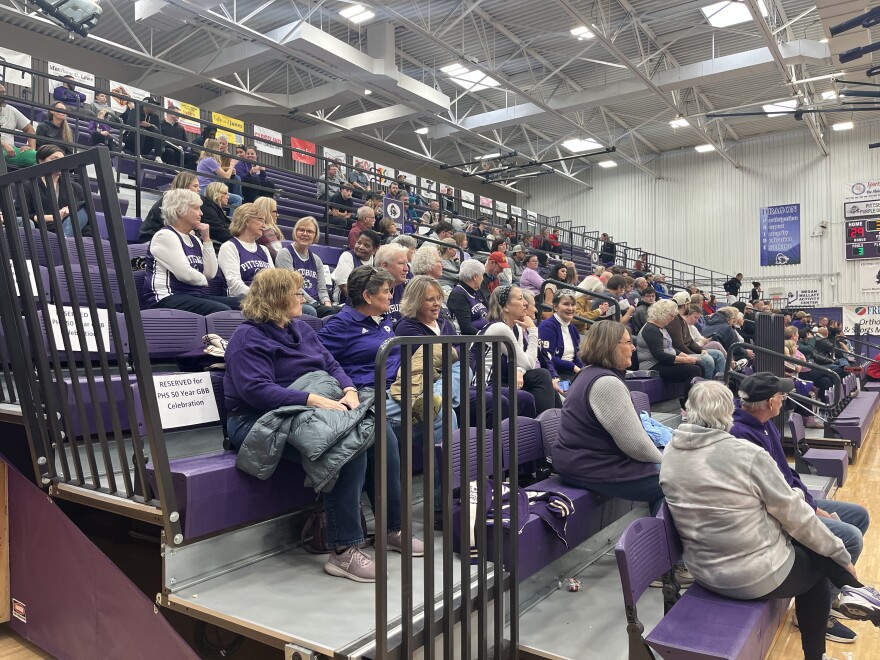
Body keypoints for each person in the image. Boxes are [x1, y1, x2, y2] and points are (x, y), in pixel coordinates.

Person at [660, 379, 880, 660]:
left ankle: (855, 591)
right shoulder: (745, 454)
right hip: (746, 575)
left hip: (703, 568)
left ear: (689, 411)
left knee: (811, 547)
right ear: (728, 412)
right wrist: (841, 556)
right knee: (817, 570)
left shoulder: (670, 453)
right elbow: (797, 517)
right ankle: (820, 648)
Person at [224, 268, 387, 583]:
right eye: (297, 293)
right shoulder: (248, 336)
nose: (303, 298)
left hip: (301, 410)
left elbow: (331, 364)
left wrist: (349, 390)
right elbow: (255, 391)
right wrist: (313, 399)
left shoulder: (300, 329)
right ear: (277, 298)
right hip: (256, 418)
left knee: (375, 429)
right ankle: (343, 550)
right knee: (346, 447)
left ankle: (390, 526)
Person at [553, 320, 665, 511]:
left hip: (581, 461)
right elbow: (636, 446)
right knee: (674, 483)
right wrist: (669, 462)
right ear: (610, 346)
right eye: (628, 343)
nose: (633, 348)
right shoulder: (606, 383)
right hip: (588, 465)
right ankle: (663, 539)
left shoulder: (589, 373)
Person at [143, 189, 240, 315]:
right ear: (180, 210)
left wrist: (206, 240)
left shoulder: (194, 239)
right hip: (166, 297)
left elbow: (210, 273)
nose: (201, 213)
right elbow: (185, 274)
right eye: (196, 208)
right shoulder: (165, 236)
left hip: (194, 296)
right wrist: (204, 281)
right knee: (222, 311)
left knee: (243, 303)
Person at [478, 285, 558, 414]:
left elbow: (522, 362)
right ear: (506, 307)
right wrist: (533, 330)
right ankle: (545, 426)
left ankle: (551, 425)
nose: (525, 303)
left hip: (503, 380)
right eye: (520, 299)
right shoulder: (499, 328)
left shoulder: (515, 328)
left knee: (545, 381)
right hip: (485, 385)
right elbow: (528, 363)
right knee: (541, 376)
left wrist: (519, 370)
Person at [636, 299, 703, 418]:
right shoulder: (650, 329)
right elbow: (660, 355)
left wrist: (686, 356)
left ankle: (695, 402)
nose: (672, 319)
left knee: (699, 366)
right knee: (693, 370)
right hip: (653, 365)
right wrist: (686, 360)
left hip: (661, 362)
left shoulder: (659, 328)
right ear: (663, 314)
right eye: (671, 316)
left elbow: (670, 348)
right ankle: (687, 406)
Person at [276, 216, 340, 318]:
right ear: (295, 232)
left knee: (340, 311)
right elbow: (292, 286)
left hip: (316, 304)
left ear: (315, 236)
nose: (305, 234)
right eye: (301, 230)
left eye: (309, 231)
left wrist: (327, 303)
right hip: (296, 301)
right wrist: (314, 303)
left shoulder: (317, 260)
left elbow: (322, 289)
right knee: (327, 313)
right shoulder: (285, 254)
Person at [23, 145, 91, 237]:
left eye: (62, 160)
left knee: (83, 209)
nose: (60, 163)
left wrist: (70, 210)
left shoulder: (75, 187)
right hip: (44, 228)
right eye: (54, 159)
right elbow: (21, 215)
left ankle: (65, 239)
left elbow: (84, 214)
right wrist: (53, 217)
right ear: (41, 161)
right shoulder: (29, 186)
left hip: (71, 228)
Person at [667, 291, 727, 379]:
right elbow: (678, 345)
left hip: (689, 350)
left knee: (717, 354)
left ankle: (723, 382)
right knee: (708, 360)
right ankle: (705, 387)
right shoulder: (675, 320)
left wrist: (701, 350)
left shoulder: (681, 319)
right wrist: (693, 355)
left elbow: (690, 341)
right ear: (685, 305)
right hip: (682, 353)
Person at [218, 203, 273, 297]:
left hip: (265, 300)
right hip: (241, 299)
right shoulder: (229, 247)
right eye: (260, 220)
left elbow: (274, 280)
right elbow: (234, 285)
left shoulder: (264, 249)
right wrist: (260, 297)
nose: (264, 225)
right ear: (246, 221)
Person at [140, 172, 203, 243]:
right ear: (185, 186)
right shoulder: (168, 201)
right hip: (153, 238)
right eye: (195, 186)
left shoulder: (191, 204)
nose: (199, 189)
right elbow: (170, 225)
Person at [538, 290, 583, 383]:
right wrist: (573, 367)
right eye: (566, 304)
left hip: (572, 372)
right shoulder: (547, 327)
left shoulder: (573, 329)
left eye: (573, 304)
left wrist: (583, 371)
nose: (570, 308)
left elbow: (578, 356)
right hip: (556, 374)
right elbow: (546, 357)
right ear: (555, 307)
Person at [332, 229, 380, 304]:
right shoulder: (347, 256)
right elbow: (344, 286)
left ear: (375, 249)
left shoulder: (375, 262)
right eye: (359, 243)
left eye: (366, 245)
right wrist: (361, 306)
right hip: (343, 303)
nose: (361, 247)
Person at [197, 138, 243, 212]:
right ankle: (233, 221)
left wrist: (229, 169)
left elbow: (219, 172)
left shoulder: (205, 159)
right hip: (206, 189)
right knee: (237, 199)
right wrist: (232, 165)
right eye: (218, 148)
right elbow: (226, 177)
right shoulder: (210, 160)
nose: (219, 150)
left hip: (207, 188)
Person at [447, 260, 490, 336]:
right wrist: (485, 338)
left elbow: (490, 310)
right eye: (482, 275)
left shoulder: (477, 290)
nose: (483, 279)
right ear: (475, 277)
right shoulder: (458, 295)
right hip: (470, 342)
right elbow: (466, 328)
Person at [0, 84, 37, 167]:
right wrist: (3, 144)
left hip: (11, 150)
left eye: (3, 93)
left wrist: (31, 147)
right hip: (4, 147)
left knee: (37, 156)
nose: (3, 96)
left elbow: (30, 129)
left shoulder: (10, 110)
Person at [198, 182, 235, 250]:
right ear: (216, 193)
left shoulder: (214, 207)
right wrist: (239, 241)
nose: (228, 197)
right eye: (225, 193)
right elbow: (218, 230)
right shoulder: (207, 208)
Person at [252, 196, 284, 260]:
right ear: (267, 212)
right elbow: (280, 256)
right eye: (275, 211)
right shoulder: (266, 230)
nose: (277, 215)